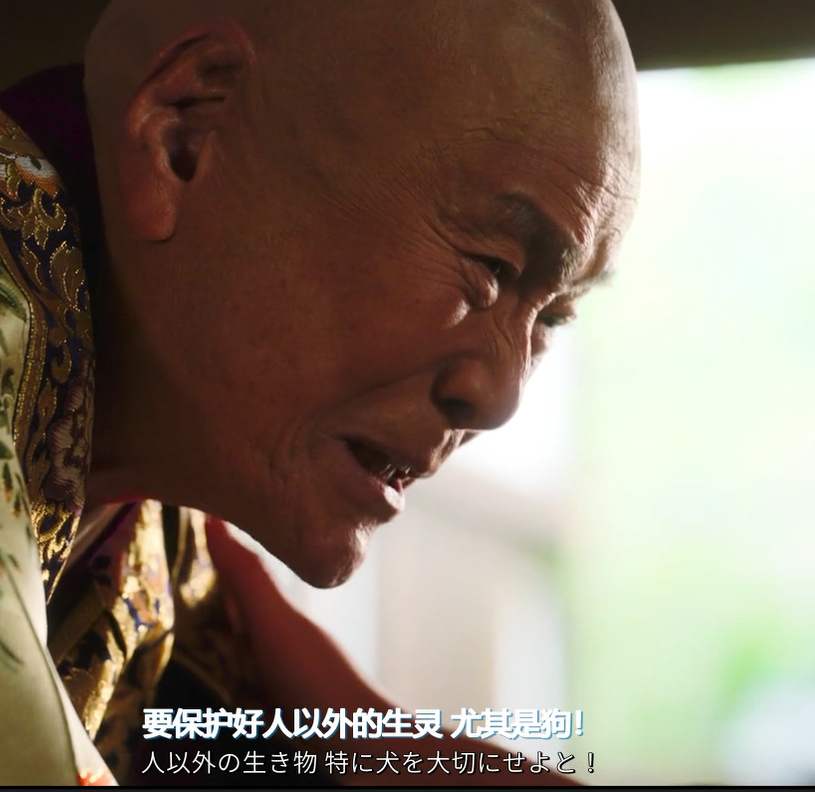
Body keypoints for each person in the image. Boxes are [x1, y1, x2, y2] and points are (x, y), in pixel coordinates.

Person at [0, 0, 640, 785]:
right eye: (489, 266)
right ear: (185, 137)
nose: (500, 397)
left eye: (552, 317)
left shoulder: (162, 543)